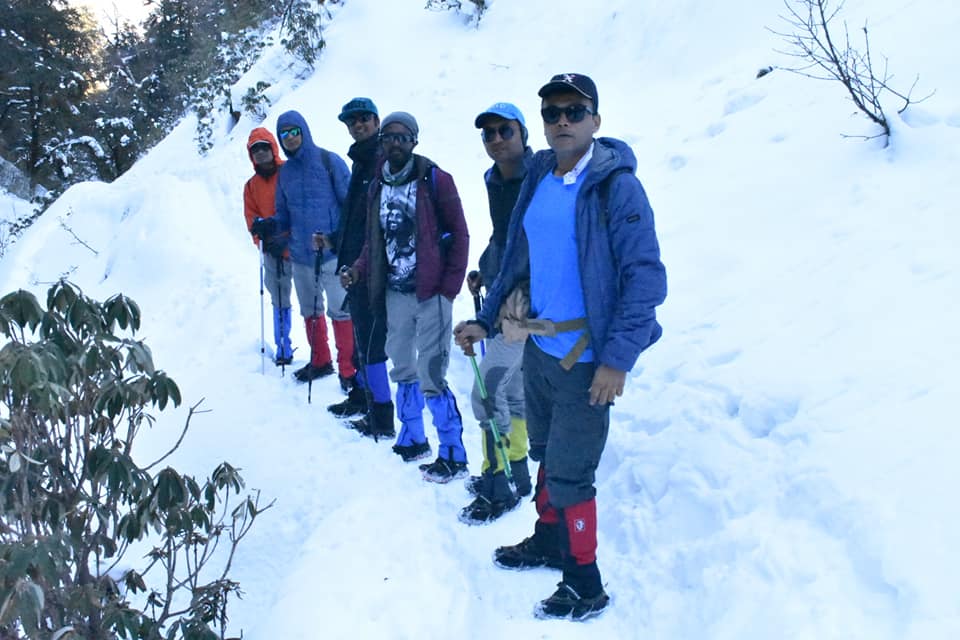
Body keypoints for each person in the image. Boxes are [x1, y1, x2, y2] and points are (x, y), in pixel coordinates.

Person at [454, 74, 667, 620]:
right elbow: (515, 258)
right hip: (540, 349)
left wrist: (617, 360)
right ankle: (550, 539)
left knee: (572, 473)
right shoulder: (539, 177)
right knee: (548, 454)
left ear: (596, 119)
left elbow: (645, 277)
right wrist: (486, 320)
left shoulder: (616, 186)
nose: (563, 121)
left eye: (575, 111)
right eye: (553, 113)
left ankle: (584, 582)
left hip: (587, 361)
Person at [341, 111, 471, 482]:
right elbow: (374, 240)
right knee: (402, 366)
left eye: (402, 137)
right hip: (395, 292)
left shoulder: (435, 179)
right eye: (388, 137)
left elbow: (460, 235)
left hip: (431, 293)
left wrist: (448, 290)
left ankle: (452, 452)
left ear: (414, 141)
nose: (394, 143)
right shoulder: (377, 185)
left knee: (432, 371)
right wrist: (359, 269)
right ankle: (412, 436)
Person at [455, 103, 534, 525]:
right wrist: (486, 271)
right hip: (507, 293)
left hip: (527, 303)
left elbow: (532, 244)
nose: (497, 139)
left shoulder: (538, 177)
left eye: (505, 130)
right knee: (512, 390)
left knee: (487, 391)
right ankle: (516, 470)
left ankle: (497, 482)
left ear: (523, 133)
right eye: (489, 133)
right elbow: (503, 236)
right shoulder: (496, 180)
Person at [325, 97, 395, 440]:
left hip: (371, 268)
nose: (358, 125)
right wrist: (333, 240)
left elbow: (380, 223)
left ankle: (381, 414)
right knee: (361, 336)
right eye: (352, 121)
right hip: (354, 264)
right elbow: (354, 217)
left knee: (371, 340)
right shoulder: (362, 161)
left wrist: (362, 262)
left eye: (364, 118)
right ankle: (363, 397)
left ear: (376, 121)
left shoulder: (381, 162)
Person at [268, 110, 355, 385]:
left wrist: (341, 239)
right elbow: (283, 213)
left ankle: (349, 369)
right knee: (310, 310)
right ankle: (320, 361)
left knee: (341, 310)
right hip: (301, 256)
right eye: (284, 134)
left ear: (304, 131)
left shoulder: (329, 161)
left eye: (294, 131)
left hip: (332, 253)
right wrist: (271, 226)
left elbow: (351, 205)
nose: (290, 138)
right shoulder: (285, 173)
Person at [243, 127, 293, 366]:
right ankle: (283, 347)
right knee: (279, 298)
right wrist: (261, 242)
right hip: (272, 251)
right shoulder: (251, 186)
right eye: (256, 150)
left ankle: (320, 354)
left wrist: (289, 237)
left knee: (312, 300)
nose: (261, 152)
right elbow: (251, 218)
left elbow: (299, 206)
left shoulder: (289, 172)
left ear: (273, 147)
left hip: (297, 247)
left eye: (264, 147)